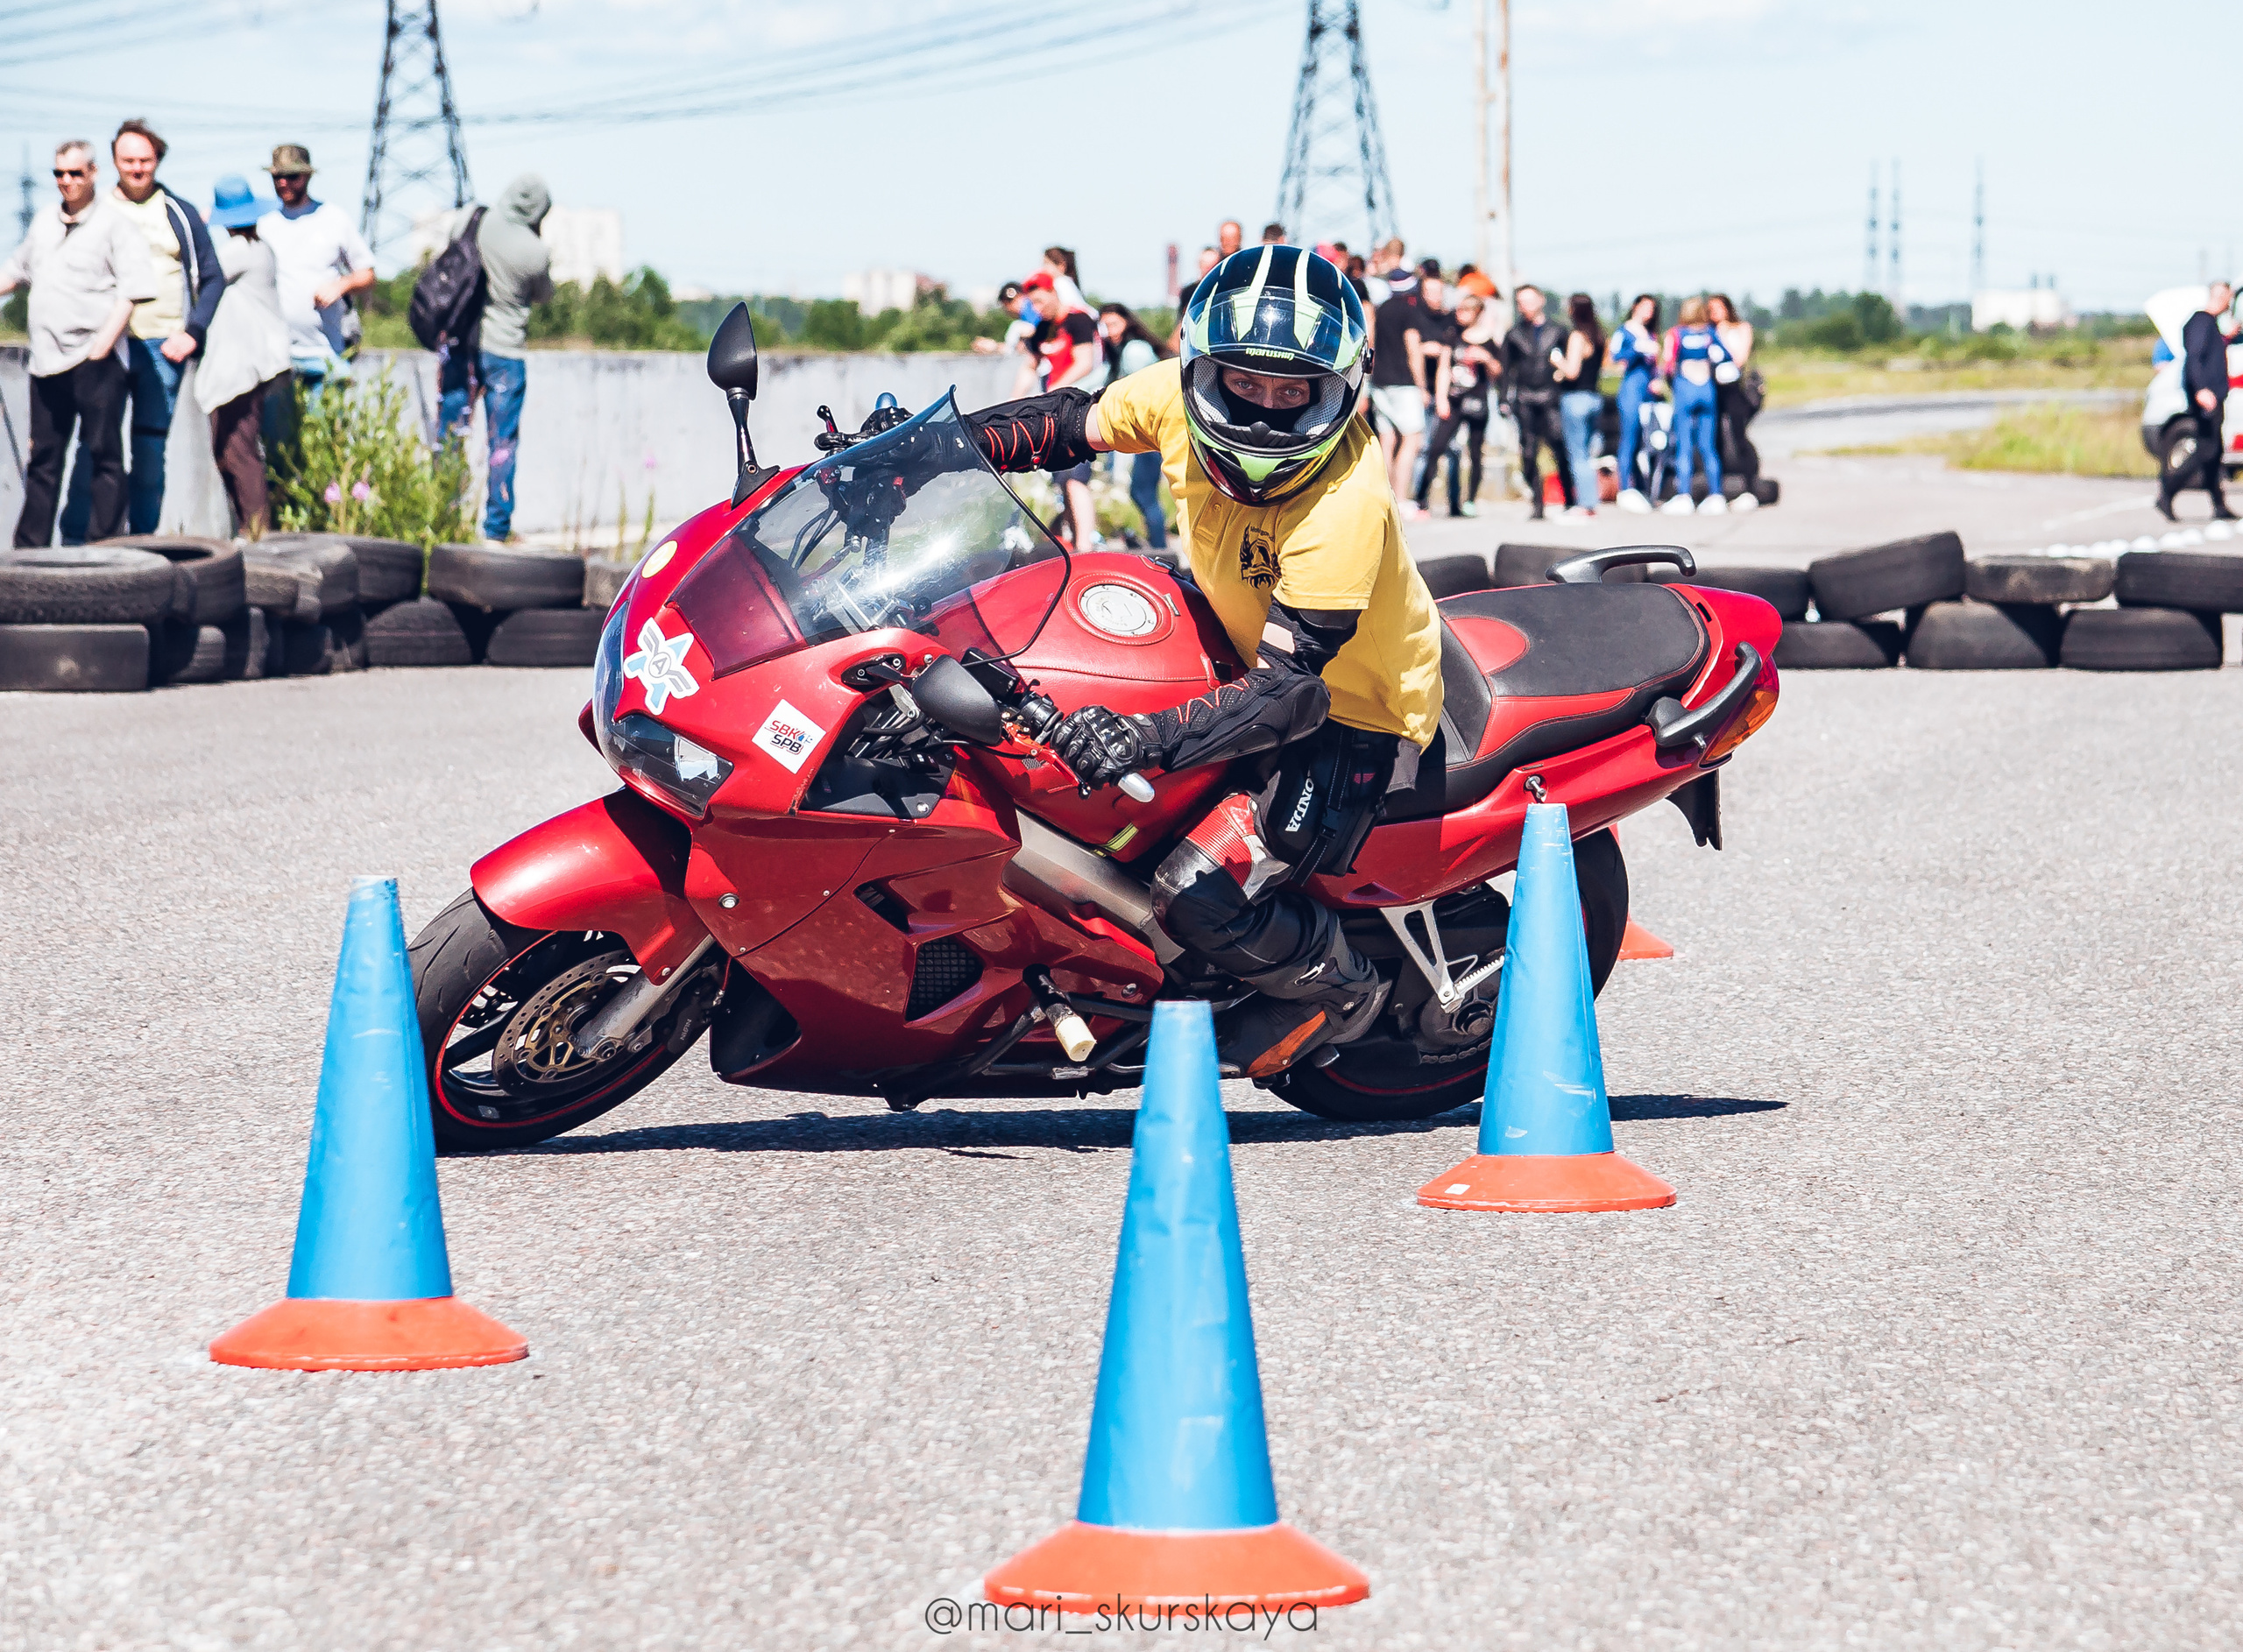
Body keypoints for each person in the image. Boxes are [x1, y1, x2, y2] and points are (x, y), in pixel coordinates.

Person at [959, 245, 1441, 1077]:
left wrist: (1137, 740)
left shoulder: (1345, 504)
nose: (1262, 410)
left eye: (1295, 390)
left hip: (1350, 708)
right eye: (1244, 382)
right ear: (1201, 368)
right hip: (1238, 643)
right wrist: (921, 454)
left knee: (1191, 888)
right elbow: (1069, 424)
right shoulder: (1176, 397)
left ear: (1342, 387)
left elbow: (1291, 697)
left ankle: (1336, 987)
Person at [57, 119, 223, 541]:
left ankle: (142, 545)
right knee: (93, 446)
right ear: (112, 162)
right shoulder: (93, 212)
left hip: (161, 346)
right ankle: (78, 540)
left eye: (145, 160)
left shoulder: (179, 213)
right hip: (104, 347)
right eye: (128, 160)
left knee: (149, 453)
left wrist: (193, 332)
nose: (136, 168)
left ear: (158, 161)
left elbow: (213, 277)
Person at [0, 140, 158, 547]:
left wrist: (103, 345)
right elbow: (15, 272)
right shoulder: (43, 224)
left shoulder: (115, 225)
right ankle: (29, 550)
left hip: (96, 360)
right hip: (46, 362)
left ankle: (104, 546)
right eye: (59, 174)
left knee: (104, 455)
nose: (66, 181)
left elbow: (135, 288)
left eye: (75, 173)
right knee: (43, 460)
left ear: (93, 173)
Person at [433, 173, 554, 545]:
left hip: (462, 344)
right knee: (501, 442)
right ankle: (495, 529)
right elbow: (544, 295)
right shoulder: (535, 252)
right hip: (505, 351)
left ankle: (443, 515)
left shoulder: (471, 218)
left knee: (452, 432)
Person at [257, 144, 375, 452]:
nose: (284, 183)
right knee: (282, 449)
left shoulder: (333, 218)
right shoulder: (265, 224)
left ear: (307, 177)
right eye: (278, 178)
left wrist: (341, 284)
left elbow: (366, 273)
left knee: (322, 446)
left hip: (325, 355)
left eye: (292, 177)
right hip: (278, 359)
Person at [195, 175, 291, 534]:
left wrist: (198, 229)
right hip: (256, 362)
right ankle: (249, 530)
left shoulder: (238, 251)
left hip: (245, 366)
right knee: (231, 449)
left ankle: (256, 534)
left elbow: (198, 277)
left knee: (238, 450)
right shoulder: (261, 247)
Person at [1022, 272, 1102, 547]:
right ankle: (1071, 540)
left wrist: (1051, 391)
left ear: (1054, 293)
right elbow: (1029, 368)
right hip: (1054, 413)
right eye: (1032, 304)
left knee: (1076, 479)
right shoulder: (1041, 330)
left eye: (1041, 301)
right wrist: (1011, 401)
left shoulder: (1078, 320)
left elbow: (1085, 363)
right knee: (1062, 479)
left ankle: (1086, 547)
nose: (1037, 309)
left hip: (1082, 408)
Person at [1097, 302, 1172, 549]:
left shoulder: (1135, 352)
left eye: (1114, 324)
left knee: (1143, 492)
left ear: (1127, 322)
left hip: (1152, 429)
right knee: (1142, 491)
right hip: (1148, 430)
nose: (1109, 331)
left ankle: (1160, 548)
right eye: (1105, 326)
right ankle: (1157, 545)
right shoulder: (1122, 351)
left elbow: (1141, 394)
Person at [1414, 288, 1496, 518]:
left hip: (1478, 402)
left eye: (1465, 310)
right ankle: (1421, 499)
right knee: (1436, 448)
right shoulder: (1452, 335)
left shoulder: (1489, 340)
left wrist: (1487, 359)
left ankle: (1468, 500)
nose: (1460, 314)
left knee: (1476, 452)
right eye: (1459, 309)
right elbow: (1443, 367)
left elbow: (1498, 372)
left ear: (1477, 313)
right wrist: (1441, 398)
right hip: (1454, 401)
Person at [2160, 280, 2235, 521]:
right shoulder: (2201, 322)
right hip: (2206, 398)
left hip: (2213, 396)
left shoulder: (2209, 325)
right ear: (2221, 296)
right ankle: (2167, 491)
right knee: (2206, 450)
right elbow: (2194, 359)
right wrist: (2202, 389)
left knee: (2214, 452)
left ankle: (2219, 505)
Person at [1500, 283, 1571, 519]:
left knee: (1559, 447)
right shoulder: (1514, 334)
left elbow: (1572, 363)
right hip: (1525, 398)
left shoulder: (1559, 331)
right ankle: (1537, 502)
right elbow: (1505, 370)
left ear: (1540, 301)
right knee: (1528, 452)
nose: (1525, 307)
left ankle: (1570, 498)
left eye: (1529, 301)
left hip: (1551, 398)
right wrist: (1503, 399)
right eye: (1520, 303)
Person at [1661, 296, 1732, 516]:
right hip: (1707, 391)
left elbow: (1667, 364)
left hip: (1685, 390)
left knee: (1684, 445)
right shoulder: (1709, 334)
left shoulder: (1676, 334)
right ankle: (1716, 495)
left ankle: (1684, 495)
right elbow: (1726, 357)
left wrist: (1671, 384)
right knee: (1708, 446)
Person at [1369, 259, 1427, 515]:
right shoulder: (1409, 312)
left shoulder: (1380, 310)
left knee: (1387, 439)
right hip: (1404, 383)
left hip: (1379, 382)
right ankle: (1402, 500)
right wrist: (1422, 386)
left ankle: (1383, 498)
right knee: (1411, 440)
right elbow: (1413, 348)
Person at [1706, 292, 1761, 503]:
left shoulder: (1741, 328)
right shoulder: (1708, 331)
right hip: (1714, 387)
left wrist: (1720, 338)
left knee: (1739, 436)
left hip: (1733, 387)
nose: (1715, 313)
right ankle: (1717, 488)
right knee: (1715, 438)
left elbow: (1740, 357)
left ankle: (1751, 486)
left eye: (1718, 308)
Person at [1609, 293, 1662, 512]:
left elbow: (1655, 363)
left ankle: (1647, 487)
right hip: (1631, 389)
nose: (1648, 313)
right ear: (1635, 307)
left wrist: (1657, 378)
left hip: (1648, 392)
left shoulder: (1651, 334)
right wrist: (1636, 350)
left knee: (1649, 440)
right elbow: (1614, 356)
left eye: (1652, 309)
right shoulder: (1624, 331)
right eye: (1645, 307)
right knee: (1629, 439)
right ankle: (1625, 487)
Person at [1555, 293, 1606, 520]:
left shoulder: (1577, 337)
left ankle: (1586, 504)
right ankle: (1589, 502)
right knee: (1588, 453)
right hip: (1594, 398)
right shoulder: (1599, 335)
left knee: (1578, 455)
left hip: (1575, 399)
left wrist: (1557, 362)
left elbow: (1573, 371)